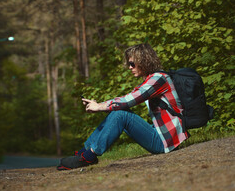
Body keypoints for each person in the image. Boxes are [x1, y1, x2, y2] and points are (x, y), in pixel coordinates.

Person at [57, 43, 188, 170]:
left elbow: (129, 100)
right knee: (120, 111)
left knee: (121, 114)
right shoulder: (152, 79)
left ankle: (89, 156)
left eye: (132, 64)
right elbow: (126, 100)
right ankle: (84, 153)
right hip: (163, 138)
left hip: (166, 142)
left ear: (144, 61)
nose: (130, 67)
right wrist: (100, 105)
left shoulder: (159, 79)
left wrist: (99, 106)